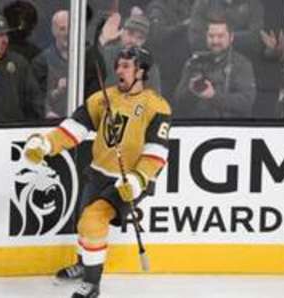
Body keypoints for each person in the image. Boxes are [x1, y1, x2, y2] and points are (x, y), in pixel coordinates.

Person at [23, 46, 171, 298]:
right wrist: (46, 144)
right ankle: (84, 263)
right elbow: (73, 128)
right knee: (84, 222)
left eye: (126, 66)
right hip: (98, 172)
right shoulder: (103, 97)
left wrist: (137, 180)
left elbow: (157, 152)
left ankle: (92, 283)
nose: (118, 70)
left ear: (141, 71)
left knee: (92, 220)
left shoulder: (156, 107)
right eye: (118, 65)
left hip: (127, 181)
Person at [174, 15, 256, 119]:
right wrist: (190, 92)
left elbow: (246, 102)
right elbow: (178, 103)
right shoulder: (194, 62)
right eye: (211, 36)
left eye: (220, 36)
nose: (215, 41)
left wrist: (214, 96)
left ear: (231, 37)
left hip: (231, 127)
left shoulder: (242, 64)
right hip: (198, 126)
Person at [98, 13, 162, 94]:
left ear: (144, 41)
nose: (133, 41)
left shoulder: (149, 66)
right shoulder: (104, 55)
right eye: (130, 34)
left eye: (140, 38)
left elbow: (154, 99)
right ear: (122, 32)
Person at [188, 0, 264, 59]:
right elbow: (195, 40)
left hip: (243, 63)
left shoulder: (253, 4)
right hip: (209, 64)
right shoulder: (203, 3)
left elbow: (256, 39)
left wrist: (219, 38)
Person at [32, 10, 69, 118]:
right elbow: (36, 96)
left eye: (70, 28)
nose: (67, 33)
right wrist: (57, 92)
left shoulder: (85, 58)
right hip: (53, 123)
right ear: (54, 31)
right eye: (62, 29)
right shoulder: (42, 61)